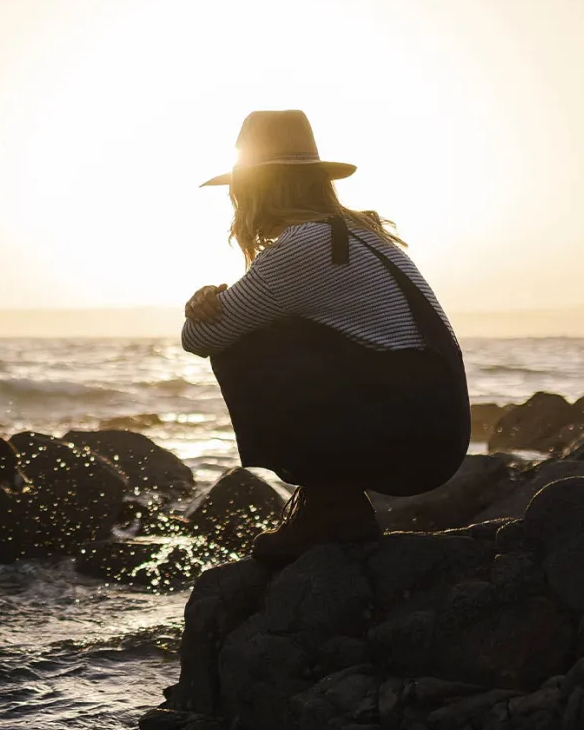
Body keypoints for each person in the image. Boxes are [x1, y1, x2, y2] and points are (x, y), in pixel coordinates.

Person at [183, 110, 470, 568]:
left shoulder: (307, 247)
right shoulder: (358, 235)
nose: (236, 202)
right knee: (270, 330)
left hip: (416, 440)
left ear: (257, 188)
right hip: (438, 429)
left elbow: (200, 337)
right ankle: (327, 500)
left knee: (245, 347)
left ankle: (330, 505)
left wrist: (202, 305)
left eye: (239, 189)